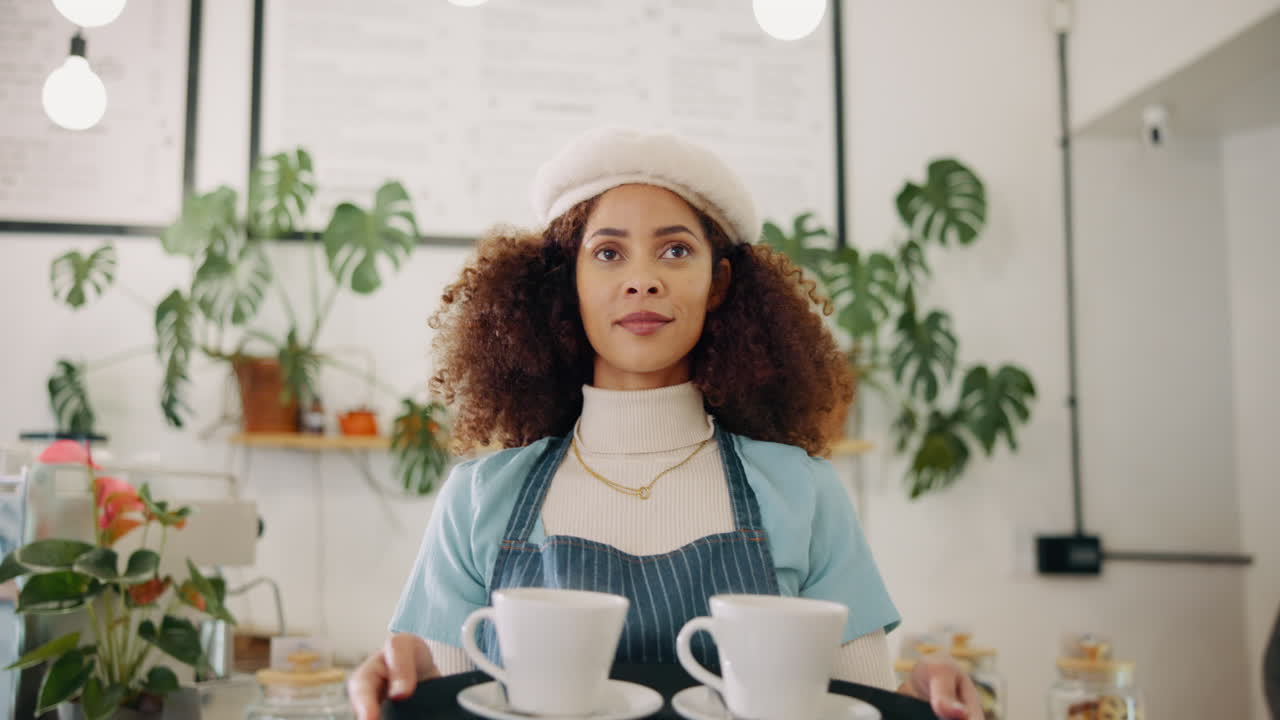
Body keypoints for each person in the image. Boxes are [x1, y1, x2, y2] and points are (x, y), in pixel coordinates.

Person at [348, 127, 982, 719]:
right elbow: (455, 702)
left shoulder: (805, 494)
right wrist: (412, 687)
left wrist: (915, 700)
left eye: (676, 250)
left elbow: (855, 703)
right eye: (608, 253)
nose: (642, 281)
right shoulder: (479, 499)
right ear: (569, 283)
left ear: (718, 283)